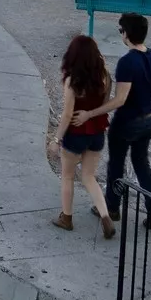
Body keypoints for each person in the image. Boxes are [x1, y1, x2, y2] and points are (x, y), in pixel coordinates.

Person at [100, 12, 151, 230]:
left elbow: (120, 100)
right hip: (148, 120)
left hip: (126, 123)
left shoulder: (126, 62)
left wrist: (94, 111)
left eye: (121, 30)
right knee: (142, 166)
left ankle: (112, 207)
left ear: (127, 34)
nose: (121, 34)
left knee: (116, 165)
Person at [49, 35, 116, 238]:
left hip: (76, 133)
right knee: (89, 177)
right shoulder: (105, 76)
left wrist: (55, 139)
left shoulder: (72, 80)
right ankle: (105, 216)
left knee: (68, 176)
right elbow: (104, 103)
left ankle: (66, 218)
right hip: (97, 131)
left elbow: (68, 114)